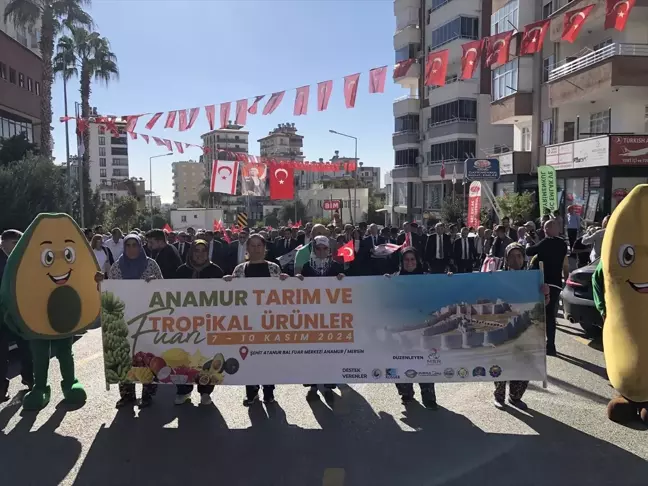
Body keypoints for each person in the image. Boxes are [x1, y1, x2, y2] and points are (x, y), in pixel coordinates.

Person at [224, 234, 289, 406]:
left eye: (259, 245)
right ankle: (251, 392)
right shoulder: (239, 270)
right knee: (248, 358)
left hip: (269, 322)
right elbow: (232, 296)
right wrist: (227, 283)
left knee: (268, 358)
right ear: (247, 249)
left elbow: (283, 294)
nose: (256, 249)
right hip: (247, 322)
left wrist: (286, 281)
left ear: (264, 248)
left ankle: (269, 392)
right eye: (252, 246)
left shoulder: (274, 268)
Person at [107, 234, 163, 408]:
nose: (131, 248)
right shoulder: (117, 268)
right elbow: (110, 292)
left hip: (148, 318)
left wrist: (154, 284)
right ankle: (127, 395)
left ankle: (147, 395)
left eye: (135, 245)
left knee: (147, 356)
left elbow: (165, 288)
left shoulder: (151, 265)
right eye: (128, 245)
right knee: (124, 356)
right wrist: (101, 283)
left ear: (140, 247)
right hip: (123, 319)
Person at [491, 243, 548, 410]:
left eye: (519, 256)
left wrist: (545, 292)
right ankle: (499, 395)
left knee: (524, 362)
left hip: (525, 328)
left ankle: (515, 397)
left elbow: (543, 305)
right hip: (503, 326)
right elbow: (480, 290)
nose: (515, 260)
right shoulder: (497, 277)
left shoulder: (533, 278)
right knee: (501, 362)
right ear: (506, 259)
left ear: (524, 258)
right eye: (511, 256)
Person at [174, 240, 224, 406]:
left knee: (207, 358)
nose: (200, 254)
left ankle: (205, 392)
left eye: (203, 250)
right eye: (197, 250)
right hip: (185, 324)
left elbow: (223, 296)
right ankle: (184, 391)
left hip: (209, 324)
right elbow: (170, 294)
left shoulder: (215, 271)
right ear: (191, 252)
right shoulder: (181, 271)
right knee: (184, 358)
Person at [386, 247, 437, 410]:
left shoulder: (427, 279)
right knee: (401, 359)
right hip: (401, 328)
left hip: (422, 328)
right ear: (401, 262)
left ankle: (428, 395)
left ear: (418, 261)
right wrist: (383, 283)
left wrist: (448, 279)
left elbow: (438, 294)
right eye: (406, 260)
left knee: (424, 360)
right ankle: (406, 393)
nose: (409, 263)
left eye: (412, 259)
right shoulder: (394, 279)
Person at [295, 236, 344, 401]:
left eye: (325, 248)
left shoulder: (337, 266)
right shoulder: (307, 267)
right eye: (318, 248)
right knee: (312, 351)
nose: (321, 252)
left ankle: (329, 382)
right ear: (313, 249)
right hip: (312, 316)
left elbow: (346, 290)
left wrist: (343, 280)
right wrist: (298, 281)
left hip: (331, 316)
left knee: (330, 350)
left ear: (329, 250)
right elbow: (299, 290)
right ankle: (314, 383)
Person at [526, 220, 569, 356]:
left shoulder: (545, 242)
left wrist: (530, 242)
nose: (544, 231)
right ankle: (551, 345)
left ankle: (538, 343)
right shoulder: (563, 244)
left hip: (543, 283)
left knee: (539, 314)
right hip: (556, 283)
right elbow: (564, 264)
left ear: (551, 229)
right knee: (551, 316)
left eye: (545, 228)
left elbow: (529, 251)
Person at [0, 230, 33, 401]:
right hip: (3, 317)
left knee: (26, 348)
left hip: (19, 315)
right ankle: (2, 389)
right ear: (5, 243)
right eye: (15, 243)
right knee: (2, 354)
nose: (18, 247)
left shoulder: (21, 260)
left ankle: (29, 379)